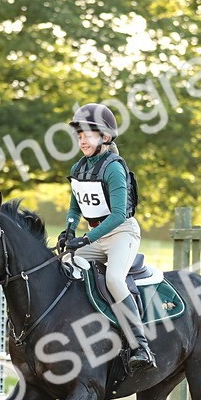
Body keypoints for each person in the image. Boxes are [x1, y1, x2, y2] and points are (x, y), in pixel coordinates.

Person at [58, 102, 156, 375]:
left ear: (105, 137)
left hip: (120, 233)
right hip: (93, 236)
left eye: (87, 135)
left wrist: (86, 238)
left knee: (114, 278)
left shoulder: (113, 167)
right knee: (62, 265)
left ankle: (140, 346)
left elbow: (118, 215)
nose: (82, 141)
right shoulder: (79, 167)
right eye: (79, 136)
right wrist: (69, 229)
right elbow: (75, 207)